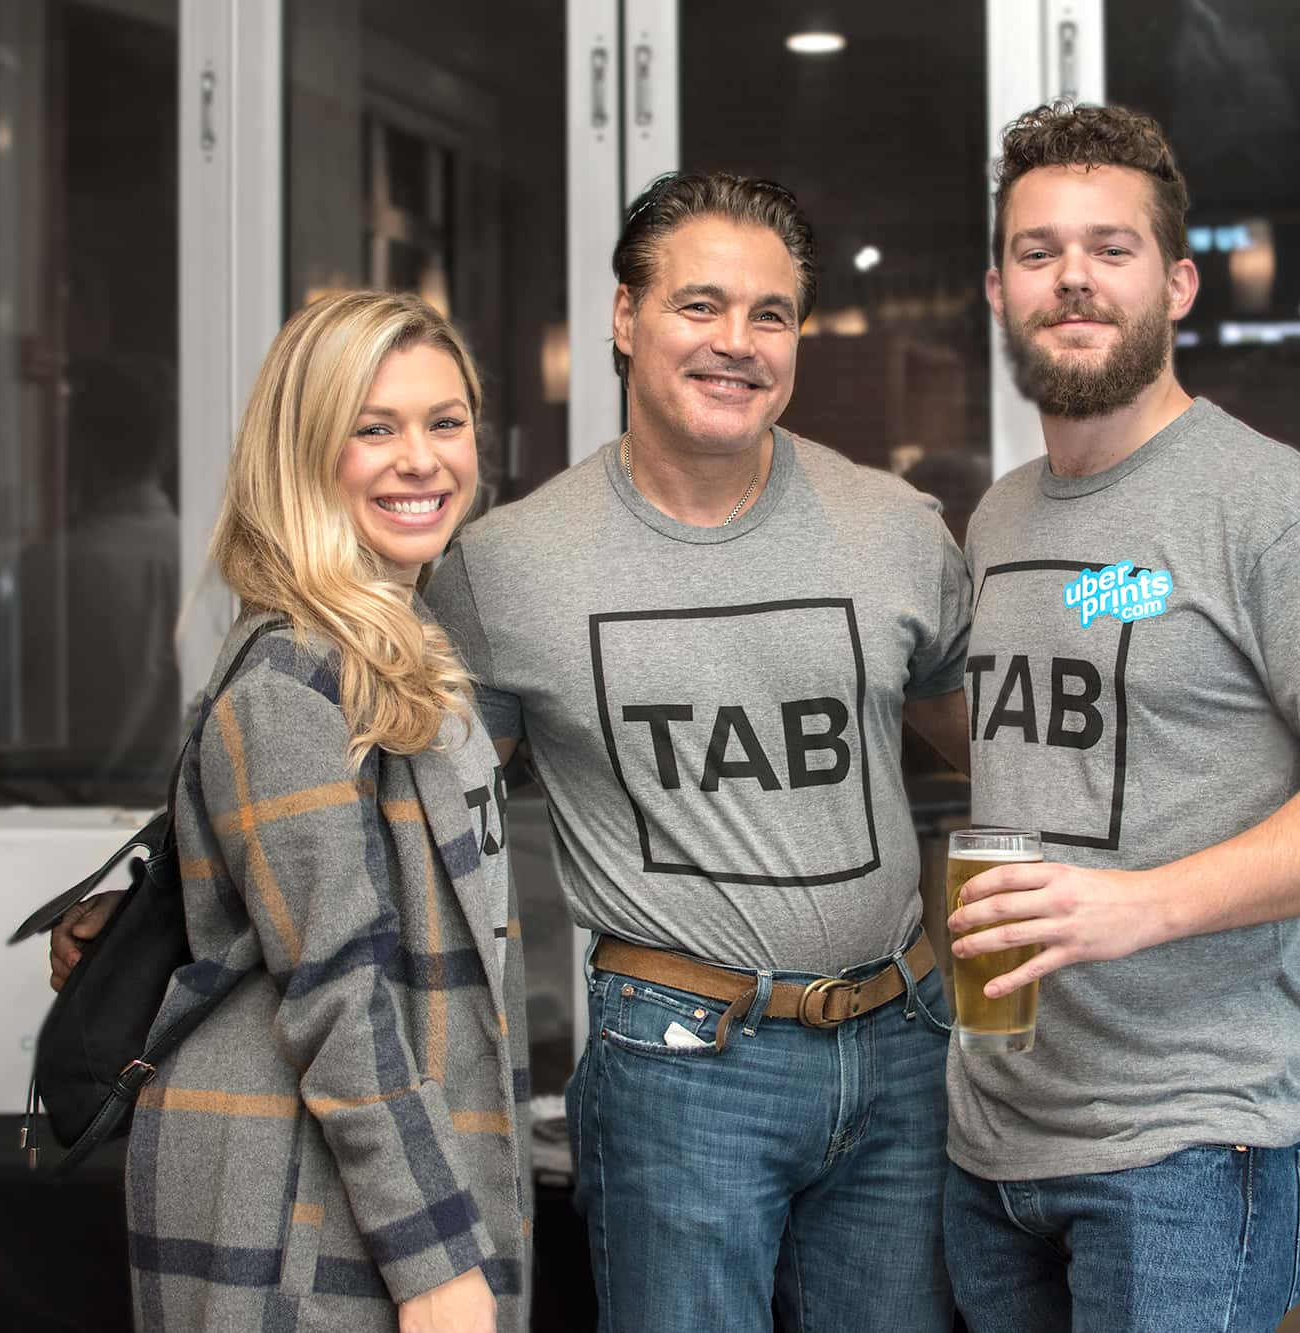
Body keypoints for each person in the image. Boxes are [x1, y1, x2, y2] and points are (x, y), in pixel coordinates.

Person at [423, 172, 970, 1331]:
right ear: (624, 320)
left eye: (770, 315)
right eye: (699, 306)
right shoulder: (503, 568)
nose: (737, 343)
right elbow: (401, 806)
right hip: (678, 1072)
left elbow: (1002, 746)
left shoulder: (893, 527)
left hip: (902, 1049)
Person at [943, 102, 1300, 1332]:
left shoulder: (1278, 509)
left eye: (1110, 249)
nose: (1072, 278)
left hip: (1191, 1148)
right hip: (991, 1138)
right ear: (997, 289)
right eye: (1037, 250)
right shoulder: (999, 519)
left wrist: (1139, 902)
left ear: (1174, 283)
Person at [99, 290, 530, 1332]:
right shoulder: (289, 681)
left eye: (444, 421)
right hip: (298, 1192)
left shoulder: (402, 641)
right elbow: (339, 990)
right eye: (370, 428)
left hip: (370, 1171)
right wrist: (432, 1264)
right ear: (302, 453)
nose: (420, 458)